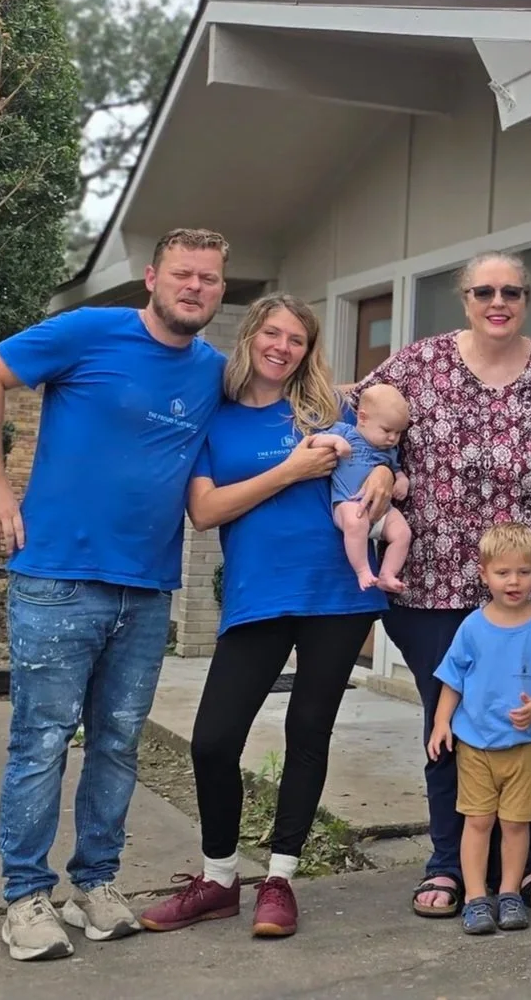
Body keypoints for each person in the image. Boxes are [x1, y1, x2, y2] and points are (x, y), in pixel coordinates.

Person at [0, 228, 230, 962]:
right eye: (184, 273)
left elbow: (284, 395)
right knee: (42, 740)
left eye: (209, 278)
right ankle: (25, 897)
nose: (196, 287)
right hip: (58, 578)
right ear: (153, 277)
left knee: (117, 743)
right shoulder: (88, 331)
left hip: (146, 589)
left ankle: (94, 885)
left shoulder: (214, 370)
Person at [137, 295, 394, 940]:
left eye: (297, 340)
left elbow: (382, 454)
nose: (283, 347)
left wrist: (388, 479)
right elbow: (205, 511)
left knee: (308, 730)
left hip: (336, 592)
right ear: (251, 336)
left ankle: (280, 879)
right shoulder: (215, 420)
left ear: (308, 351)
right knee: (214, 740)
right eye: (273, 334)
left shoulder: (329, 409)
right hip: (258, 594)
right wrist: (291, 470)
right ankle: (219, 879)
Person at [355, 251, 531, 917]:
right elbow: (358, 420)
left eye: (511, 292)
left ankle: (528, 862)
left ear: (527, 299)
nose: (498, 302)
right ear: (465, 298)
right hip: (434, 582)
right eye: (484, 291)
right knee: (450, 723)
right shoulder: (416, 365)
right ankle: (447, 865)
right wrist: (379, 467)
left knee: (527, 720)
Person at [425, 523, 531, 936]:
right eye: (503, 572)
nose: (513, 581)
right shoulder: (472, 627)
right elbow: (452, 679)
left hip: (524, 747)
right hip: (476, 746)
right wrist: (441, 723)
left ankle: (509, 893)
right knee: (477, 822)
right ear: (483, 573)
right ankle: (475, 897)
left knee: (515, 825)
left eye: (524, 572)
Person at [314, 382, 413, 592]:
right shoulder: (345, 432)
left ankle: (387, 574)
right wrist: (335, 442)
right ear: (362, 418)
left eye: (398, 433)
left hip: (381, 509)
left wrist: (402, 481)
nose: (393, 438)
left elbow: (397, 471)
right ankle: (362, 571)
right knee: (356, 523)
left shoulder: (390, 450)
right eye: (387, 430)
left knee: (403, 533)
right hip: (348, 503)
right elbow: (314, 441)